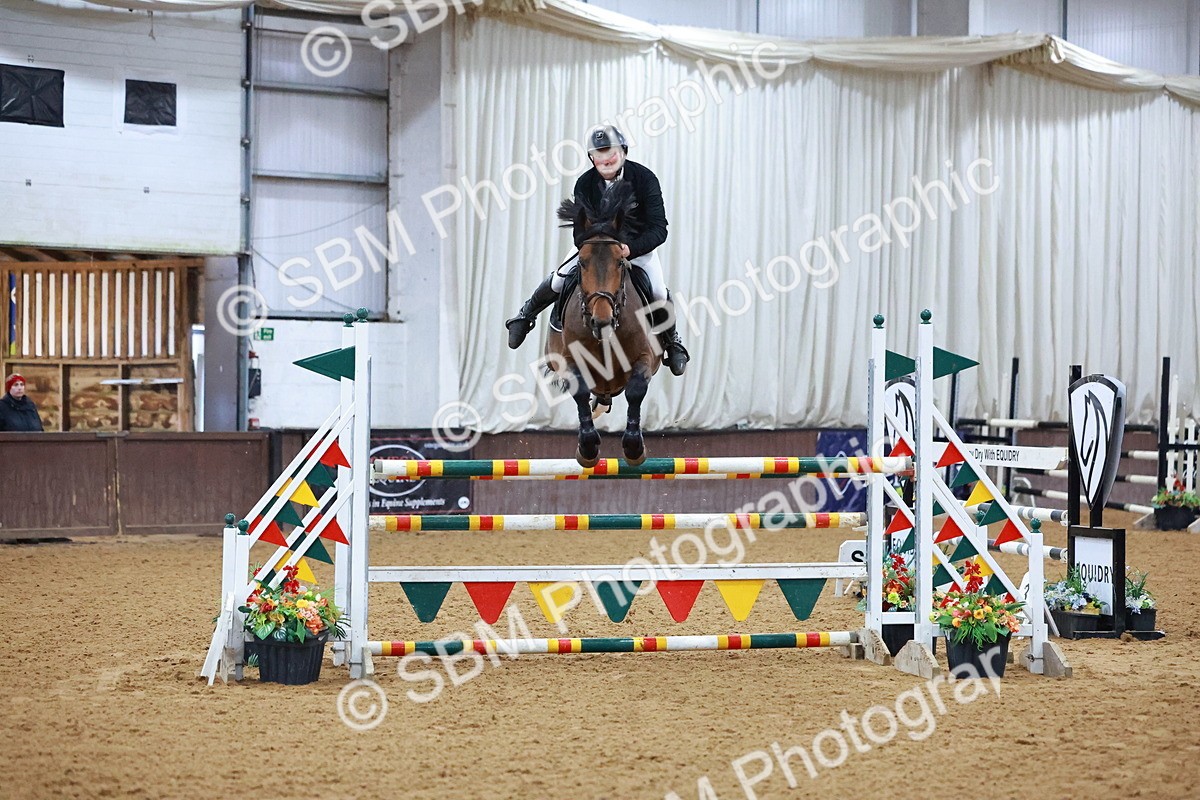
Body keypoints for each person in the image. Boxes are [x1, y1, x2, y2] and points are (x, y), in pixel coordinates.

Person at [506, 124, 690, 376]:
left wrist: (630, 248)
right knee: (560, 280)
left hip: (636, 249)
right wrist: (591, 247)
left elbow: (659, 228)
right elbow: (579, 230)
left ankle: (672, 342)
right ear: (591, 157)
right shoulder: (585, 183)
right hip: (595, 249)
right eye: (598, 154)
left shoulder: (645, 178)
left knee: (658, 290)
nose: (605, 159)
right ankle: (525, 315)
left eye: (610, 152)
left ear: (623, 152)